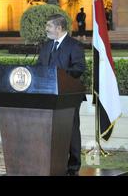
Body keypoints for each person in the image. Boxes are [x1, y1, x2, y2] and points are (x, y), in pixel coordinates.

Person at [37, 14, 86, 176]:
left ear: (59, 28)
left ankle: (73, 167)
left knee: (70, 130)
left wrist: (58, 75)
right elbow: (38, 66)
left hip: (68, 96)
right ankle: (53, 163)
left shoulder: (74, 45)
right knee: (49, 131)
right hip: (47, 95)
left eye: (49, 26)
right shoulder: (46, 46)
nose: (46, 29)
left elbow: (79, 68)